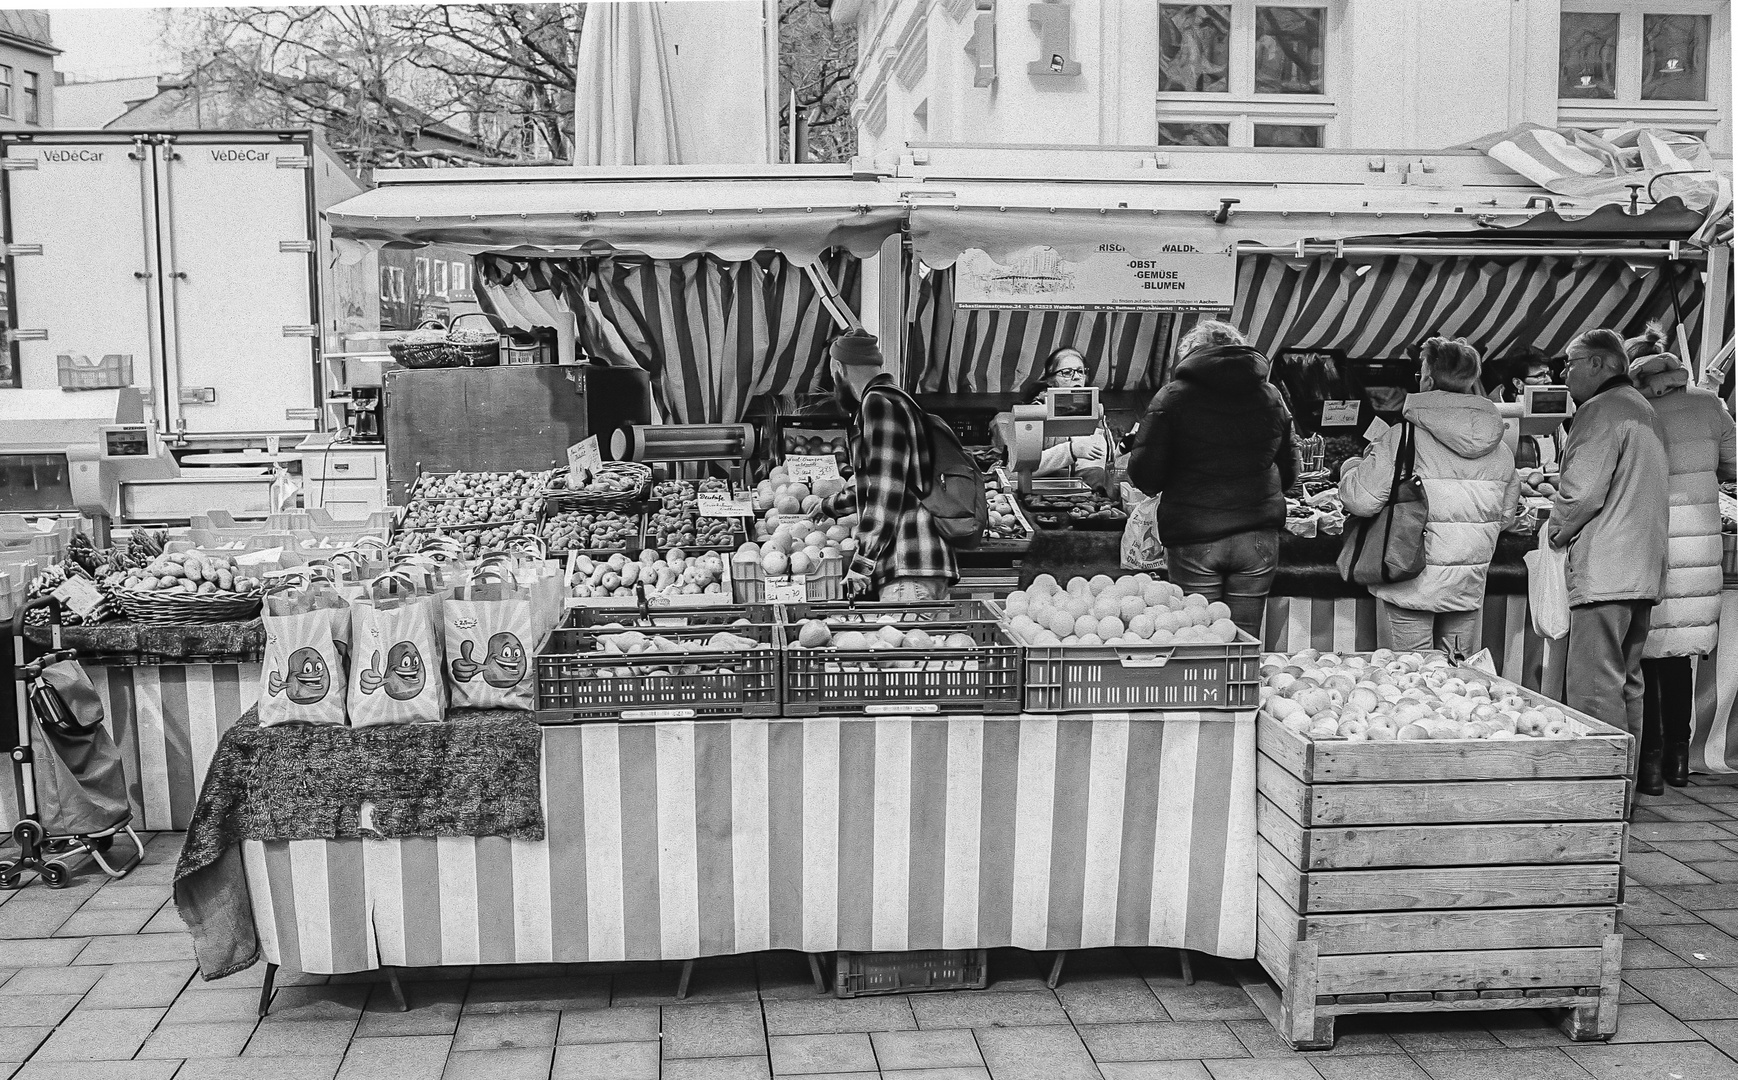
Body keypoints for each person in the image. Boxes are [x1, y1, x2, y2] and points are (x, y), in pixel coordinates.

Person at [1338, 338, 1521, 654]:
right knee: (1458, 681)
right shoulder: (1501, 449)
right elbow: (1505, 518)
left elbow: (1361, 500)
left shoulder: (1402, 437)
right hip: (1466, 586)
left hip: (1411, 581)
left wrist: (1351, 466)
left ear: (1428, 378)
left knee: (1410, 683)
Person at [1125, 320, 1299, 637]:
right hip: (1258, 540)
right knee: (1244, 642)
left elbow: (1144, 474)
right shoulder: (1271, 396)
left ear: (1190, 355)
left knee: (1199, 638)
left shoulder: (1173, 397)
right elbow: (1290, 472)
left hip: (1195, 536)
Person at [1550, 328, 1671, 755]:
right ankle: (1627, 789)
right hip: (1641, 565)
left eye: (1570, 362)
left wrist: (1554, 531)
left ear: (1598, 363)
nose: (1564, 373)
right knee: (1626, 683)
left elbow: (1580, 492)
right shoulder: (1640, 407)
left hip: (1606, 570)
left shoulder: (1601, 410)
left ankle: (1599, 791)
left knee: (1595, 688)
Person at [1626, 327, 1736, 791]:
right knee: (1678, 658)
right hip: (1702, 545)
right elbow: (1732, 466)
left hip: (1652, 539)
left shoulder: (1635, 408)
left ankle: (1649, 765)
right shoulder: (1709, 404)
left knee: (1647, 654)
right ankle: (1676, 758)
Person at [821, 329, 959, 602]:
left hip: (908, 569)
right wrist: (829, 505)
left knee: (903, 643)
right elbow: (882, 480)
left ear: (839, 368)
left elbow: (886, 490)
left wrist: (863, 560)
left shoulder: (878, 403)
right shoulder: (897, 400)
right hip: (920, 565)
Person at [991, 347, 1116, 490]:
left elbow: (1105, 464)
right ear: (1051, 380)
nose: (1076, 377)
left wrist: (1122, 449)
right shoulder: (1034, 413)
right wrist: (1069, 451)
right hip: (1039, 496)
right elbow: (1015, 471)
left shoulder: (1095, 412)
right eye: (1067, 372)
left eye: (1080, 371)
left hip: (1084, 499)